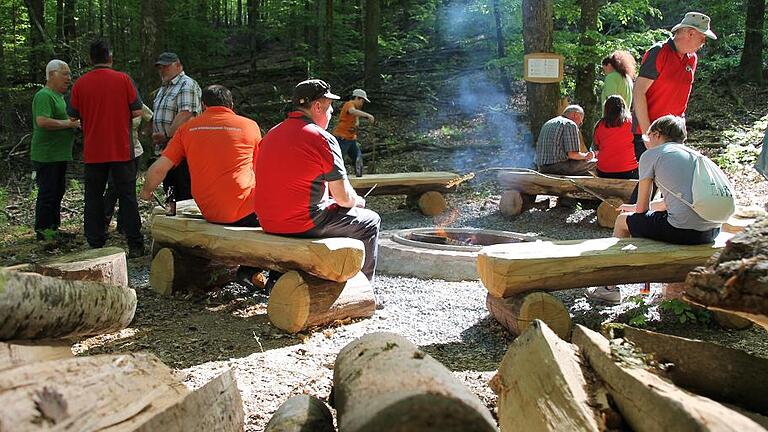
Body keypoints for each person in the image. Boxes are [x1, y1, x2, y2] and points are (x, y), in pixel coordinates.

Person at [254, 79, 380, 282]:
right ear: (317, 106)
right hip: (302, 224)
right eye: (329, 107)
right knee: (370, 220)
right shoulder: (322, 138)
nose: (331, 113)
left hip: (268, 222)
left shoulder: (271, 134)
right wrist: (358, 201)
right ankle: (364, 288)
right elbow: (343, 198)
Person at [589, 115, 721, 304]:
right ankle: (647, 287)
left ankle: (607, 288)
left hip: (684, 231)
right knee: (644, 221)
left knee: (622, 221)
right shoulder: (694, 156)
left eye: (648, 136)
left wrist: (634, 210)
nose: (646, 142)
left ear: (657, 135)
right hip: (711, 231)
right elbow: (672, 203)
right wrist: (634, 208)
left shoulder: (653, 155)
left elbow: (641, 210)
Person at [140, 84, 262, 227]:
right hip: (247, 212)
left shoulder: (186, 129)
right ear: (231, 105)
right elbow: (261, 168)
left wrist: (146, 191)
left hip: (209, 212)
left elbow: (159, 169)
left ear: (203, 105)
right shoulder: (250, 126)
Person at [68, 39, 145, 257]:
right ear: (110, 57)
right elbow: (138, 111)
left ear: (91, 59)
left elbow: (72, 115)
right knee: (127, 196)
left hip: (94, 151)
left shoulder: (81, 84)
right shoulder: (123, 80)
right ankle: (135, 244)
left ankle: (95, 243)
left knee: (93, 196)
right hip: (121, 149)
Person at [632, 12, 716, 161]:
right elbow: (638, 91)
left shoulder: (692, 59)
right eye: (702, 38)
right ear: (690, 33)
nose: (703, 43)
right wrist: (648, 133)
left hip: (675, 133)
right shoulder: (659, 52)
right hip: (652, 133)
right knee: (648, 182)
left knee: (672, 182)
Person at [30, 59, 80, 240]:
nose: (69, 78)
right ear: (52, 74)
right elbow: (42, 121)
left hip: (58, 155)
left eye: (69, 74)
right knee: (48, 193)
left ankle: (54, 228)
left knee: (57, 191)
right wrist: (69, 123)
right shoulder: (44, 95)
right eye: (65, 74)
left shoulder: (58, 97)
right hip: (46, 155)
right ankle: (44, 232)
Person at [151, 52, 202, 203]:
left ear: (178, 66)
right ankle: (171, 223)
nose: (162, 71)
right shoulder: (163, 88)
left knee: (184, 193)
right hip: (166, 148)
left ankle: (187, 225)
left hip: (183, 151)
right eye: (160, 67)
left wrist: (166, 134)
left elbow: (185, 114)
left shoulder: (186, 84)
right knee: (170, 191)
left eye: (166, 67)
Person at [104, 103, 152, 234]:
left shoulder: (137, 104)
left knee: (128, 189)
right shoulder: (109, 102)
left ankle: (124, 225)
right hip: (113, 152)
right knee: (113, 188)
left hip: (133, 151)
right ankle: (103, 224)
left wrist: (144, 132)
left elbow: (150, 117)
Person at [535, 105, 596, 176]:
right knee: (599, 163)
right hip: (559, 167)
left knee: (587, 172)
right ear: (575, 114)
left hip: (542, 167)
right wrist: (586, 156)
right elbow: (573, 155)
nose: (580, 124)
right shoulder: (570, 124)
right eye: (581, 122)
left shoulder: (548, 123)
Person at [593, 95, 638, 181]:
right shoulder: (632, 122)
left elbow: (597, 146)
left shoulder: (600, 125)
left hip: (603, 171)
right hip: (628, 170)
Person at [332, 88, 375, 177]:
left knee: (358, 158)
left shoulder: (355, 110)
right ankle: (335, 180)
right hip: (342, 138)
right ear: (358, 98)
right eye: (362, 101)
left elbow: (355, 121)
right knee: (338, 161)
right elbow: (352, 111)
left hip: (351, 140)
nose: (362, 104)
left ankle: (359, 178)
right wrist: (367, 115)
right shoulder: (349, 104)